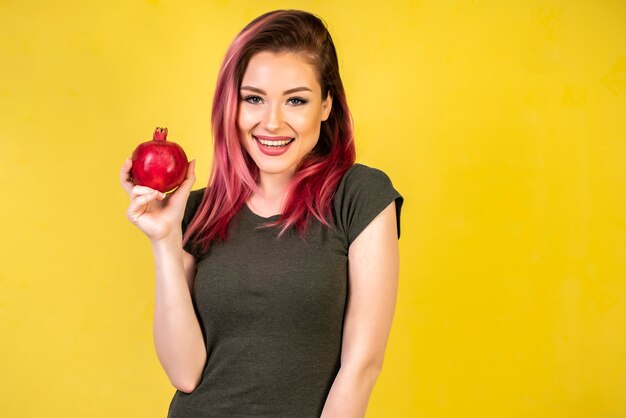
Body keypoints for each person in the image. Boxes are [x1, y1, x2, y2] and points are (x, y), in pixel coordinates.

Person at [120, 9, 404, 417]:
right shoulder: (197, 210)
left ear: (326, 105)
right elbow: (184, 373)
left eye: (296, 100)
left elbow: (362, 366)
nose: (272, 122)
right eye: (254, 98)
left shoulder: (359, 197)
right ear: (231, 107)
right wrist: (164, 241)